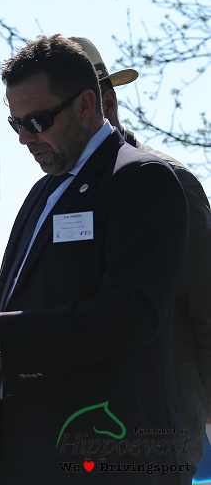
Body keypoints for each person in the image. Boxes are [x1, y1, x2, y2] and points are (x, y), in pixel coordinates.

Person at [0, 35, 190, 484]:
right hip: (29, 452)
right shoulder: (45, 189)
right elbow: (17, 305)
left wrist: (1, 332)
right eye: (16, 125)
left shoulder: (144, 179)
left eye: (38, 120)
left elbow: (132, 315)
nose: (26, 139)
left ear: (87, 105)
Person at [71, 36, 211, 472]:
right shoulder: (57, 193)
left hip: (155, 430)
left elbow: (208, 307)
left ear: (103, 100)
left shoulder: (168, 183)